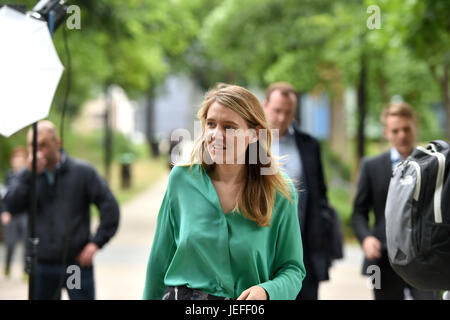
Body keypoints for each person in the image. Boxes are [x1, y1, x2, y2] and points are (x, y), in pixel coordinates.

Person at [143, 84, 306, 300]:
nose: (215, 135)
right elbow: (159, 261)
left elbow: (292, 269)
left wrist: (267, 292)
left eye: (229, 127)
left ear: (255, 134)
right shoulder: (182, 180)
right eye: (211, 124)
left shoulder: (279, 192)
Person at [3, 120, 120, 300]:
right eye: (32, 146)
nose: (37, 151)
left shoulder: (83, 172)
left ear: (57, 143)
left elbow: (110, 207)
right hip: (42, 265)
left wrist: (96, 242)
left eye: (43, 145)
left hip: (75, 264)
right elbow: (11, 205)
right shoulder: (27, 176)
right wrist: (28, 175)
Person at [352, 102, 439, 300]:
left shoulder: (433, 164)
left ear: (415, 126)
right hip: (382, 260)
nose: (402, 135)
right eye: (395, 130)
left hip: (425, 259)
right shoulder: (371, 166)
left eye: (406, 129)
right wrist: (366, 238)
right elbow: (359, 212)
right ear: (386, 132)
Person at [263, 82, 341, 300]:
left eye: (288, 112)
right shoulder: (251, 144)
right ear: (265, 106)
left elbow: (320, 194)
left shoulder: (309, 144)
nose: (282, 117)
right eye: (277, 110)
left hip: (303, 244)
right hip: (262, 243)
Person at [1, 146, 28, 278]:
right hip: (12, 213)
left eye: (20, 159)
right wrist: (4, 212)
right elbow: (5, 196)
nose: (17, 161)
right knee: (10, 243)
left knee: (26, 243)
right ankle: (7, 267)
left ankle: (25, 271)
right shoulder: (10, 175)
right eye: (15, 158)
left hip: (25, 214)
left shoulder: (27, 175)